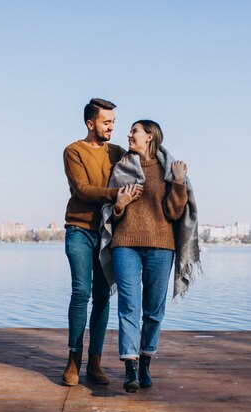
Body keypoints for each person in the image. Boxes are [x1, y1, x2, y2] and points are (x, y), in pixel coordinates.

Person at [100, 119, 201, 392]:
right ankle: (130, 368)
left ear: (150, 136)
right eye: (130, 131)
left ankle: (145, 360)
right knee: (128, 307)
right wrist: (120, 204)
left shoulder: (169, 170)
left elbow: (174, 213)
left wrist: (179, 182)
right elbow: (113, 211)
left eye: (135, 131)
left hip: (161, 245)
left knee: (154, 310)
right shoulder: (121, 168)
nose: (129, 135)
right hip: (125, 244)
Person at [62, 98, 142, 386]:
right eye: (107, 122)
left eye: (113, 123)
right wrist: (116, 194)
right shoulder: (73, 151)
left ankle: (94, 363)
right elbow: (82, 190)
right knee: (81, 293)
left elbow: (145, 159)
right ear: (90, 123)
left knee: (102, 297)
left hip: (108, 233)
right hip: (79, 230)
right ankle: (73, 361)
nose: (111, 127)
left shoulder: (118, 152)